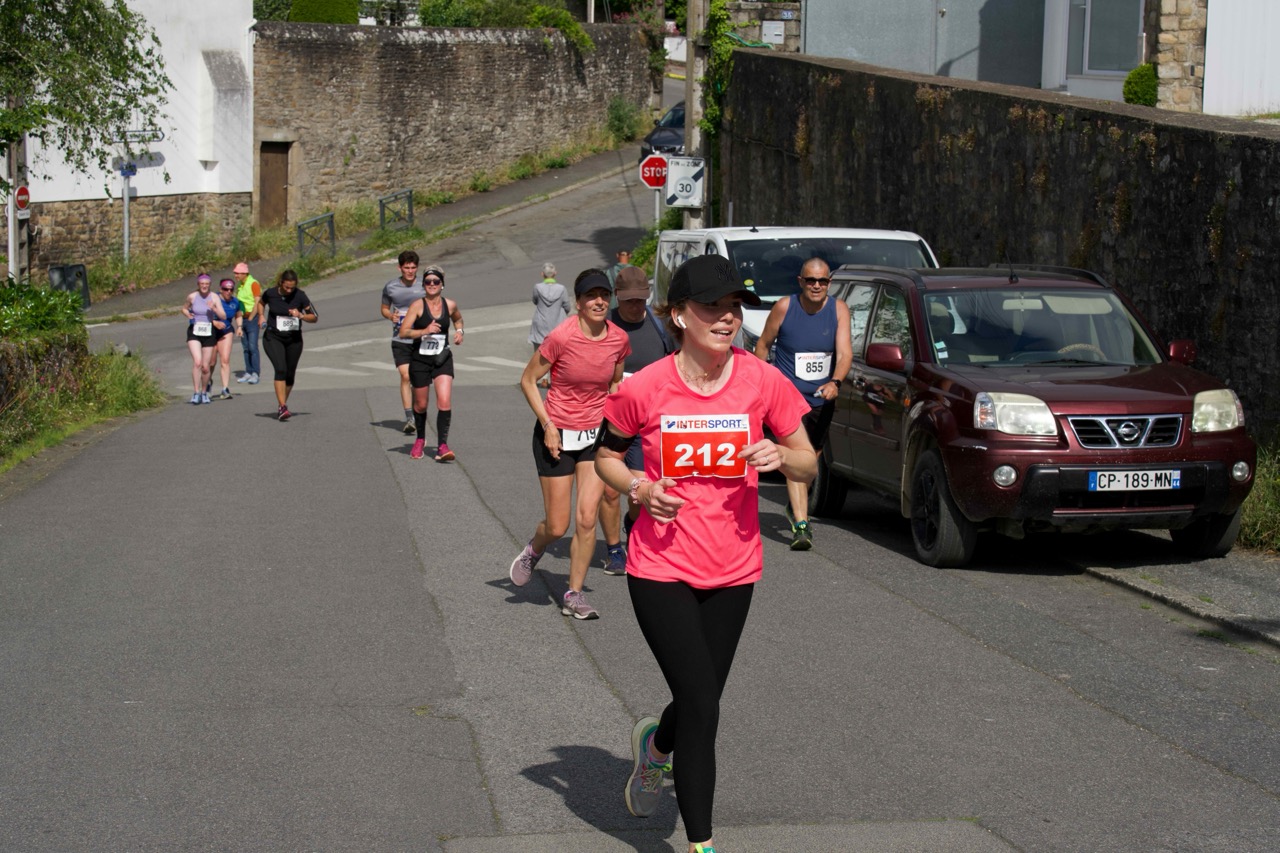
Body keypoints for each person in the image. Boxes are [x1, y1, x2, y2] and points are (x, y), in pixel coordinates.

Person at [594, 254, 816, 853]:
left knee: (701, 701)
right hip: (659, 566)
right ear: (678, 315)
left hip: (734, 567)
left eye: (734, 307)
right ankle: (702, 845)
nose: (726, 318)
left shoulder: (761, 380)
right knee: (702, 704)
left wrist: (781, 456)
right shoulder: (646, 387)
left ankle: (656, 747)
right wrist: (641, 488)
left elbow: (808, 461)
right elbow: (606, 457)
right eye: (712, 307)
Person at [508, 269, 631, 620]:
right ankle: (534, 549)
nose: (599, 302)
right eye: (591, 296)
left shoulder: (619, 339)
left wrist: (615, 422)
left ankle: (573, 594)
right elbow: (528, 380)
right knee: (558, 525)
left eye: (604, 295)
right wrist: (548, 424)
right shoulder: (561, 336)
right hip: (556, 435)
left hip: (593, 437)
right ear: (577, 302)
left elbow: (615, 381)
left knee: (587, 518)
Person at [752, 257, 851, 550]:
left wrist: (835, 382)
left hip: (822, 400)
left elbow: (845, 353)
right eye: (810, 280)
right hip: (788, 400)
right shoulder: (785, 307)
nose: (816, 286)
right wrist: (763, 383)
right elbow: (763, 345)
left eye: (822, 281)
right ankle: (801, 524)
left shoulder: (838, 309)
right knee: (798, 457)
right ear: (801, 281)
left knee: (810, 464)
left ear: (829, 283)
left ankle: (795, 508)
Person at [600, 265, 675, 576]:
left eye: (640, 299)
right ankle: (614, 550)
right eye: (628, 299)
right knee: (609, 490)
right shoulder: (605, 325)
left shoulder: (661, 327)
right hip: (610, 421)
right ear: (617, 295)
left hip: (648, 423)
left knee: (638, 488)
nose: (634, 305)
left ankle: (632, 524)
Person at [397, 264, 464, 461]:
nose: (432, 284)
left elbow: (458, 319)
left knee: (444, 401)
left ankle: (442, 445)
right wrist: (424, 331)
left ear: (442, 284)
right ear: (423, 284)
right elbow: (403, 332)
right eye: (428, 281)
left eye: (436, 281)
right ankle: (420, 439)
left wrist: (460, 332)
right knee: (420, 404)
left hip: (442, 358)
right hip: (420, 360)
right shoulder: (417, 306)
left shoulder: (449, 305)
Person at [258, 269, 318, 421]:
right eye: (287, 287)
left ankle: (281, 406)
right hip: (273, 337)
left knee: (290, 374)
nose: (289, 290)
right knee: (281, 369)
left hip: (294, 339)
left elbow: (314, 317)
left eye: (292, 287)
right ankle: (283, 406)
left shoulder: (300, 296)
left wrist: (301, 315)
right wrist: (261, 316)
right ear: (281, 283)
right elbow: (261, 303)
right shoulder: (271, 293)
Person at [381, 250, 426, 434]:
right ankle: (410, 418)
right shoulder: (391, 287)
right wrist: (390, 316)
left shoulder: (425, 284)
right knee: (405, 376)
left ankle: (417, 410)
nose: (410, 271)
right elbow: (384, 308)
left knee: (417, 379)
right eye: (406, 268)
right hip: (400, 339)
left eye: (413, 268)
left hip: (421, 338)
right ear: (399, 268)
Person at [180, 273, 226, 405]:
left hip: (209, 332)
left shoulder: (214, 297)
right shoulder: (192, 296)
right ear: (198, 284)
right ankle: (196, 392)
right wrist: (188, 314)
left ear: (210, 285)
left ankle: (204, 392)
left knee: (206, 367)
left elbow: (223, 316)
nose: (204, 286)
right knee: (197, 362)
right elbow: (184, 308)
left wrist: (214, 308)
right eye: (202, 284)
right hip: (194, 331)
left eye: (207, 284)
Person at [528, 262, 570, 388]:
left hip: (541, 323)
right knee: (557, 352)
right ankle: (555, 378)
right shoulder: (561, 289)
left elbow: (535, 300)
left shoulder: (537, 287)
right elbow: (567, 305)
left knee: (540, 351)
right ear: (555, 273)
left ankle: (543, 378)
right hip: (557, 323)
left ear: (542, 274)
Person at [210, 278, 244, 400]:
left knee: (225, 360)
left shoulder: (235, 301)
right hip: (211, 331)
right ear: (220, 289)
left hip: (226, 330)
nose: (228, 292)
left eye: (231, 289)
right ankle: (207, 381)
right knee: (211, 362)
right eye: (225, 289)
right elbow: (204, 314)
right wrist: (214, 322)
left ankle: (225, 389)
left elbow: (238, 314)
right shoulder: (213, 299)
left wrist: (239, 327)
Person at [232, 262, 263, 384]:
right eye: (235, 273)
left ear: (244, 273)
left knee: (252, 347)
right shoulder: (241, 285)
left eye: (237, 273)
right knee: (245, 348)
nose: (236, 275)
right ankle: (248, 372)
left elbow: (257, 302)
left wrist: (251, 317)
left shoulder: (253, 283)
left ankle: (255, 373)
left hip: (251, 318)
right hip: (242, 318)